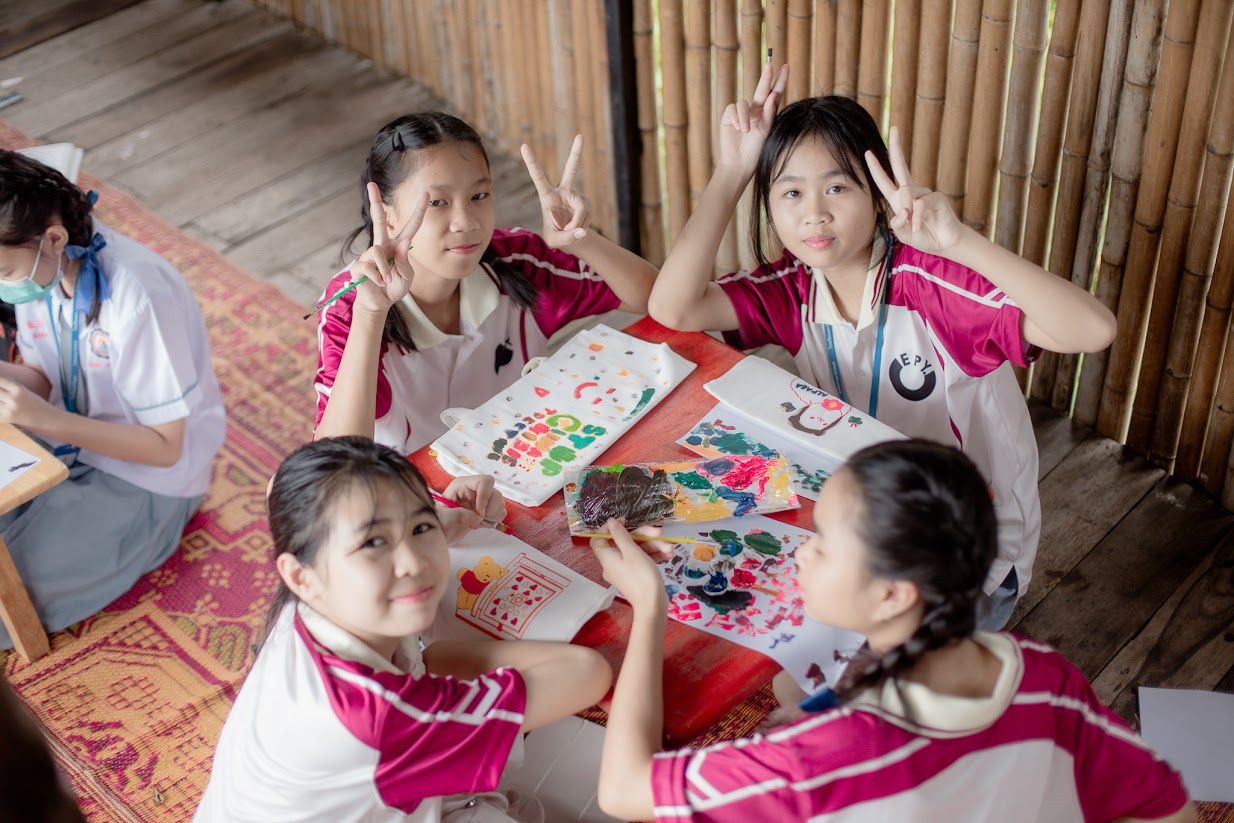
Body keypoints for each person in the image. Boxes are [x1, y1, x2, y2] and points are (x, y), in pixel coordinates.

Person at [646, 65, 1118, 628]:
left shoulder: (931, 284)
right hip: (865, 525)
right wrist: (731, 172)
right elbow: (672, 308)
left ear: (877, 194)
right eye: (791, 192)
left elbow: (1094, 330)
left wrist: (960, 242)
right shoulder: (793, 287)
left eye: (837, 187)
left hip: (966, 557)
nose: (815, 213)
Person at [590, 439, 1195, 823]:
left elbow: (623, 790)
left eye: (823, 543)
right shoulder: (1044, 676)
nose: (800, 551)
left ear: (892, 595)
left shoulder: (821, 758)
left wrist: (650, 605)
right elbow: (1170, 809)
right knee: (792, 691)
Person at [196, 436, 614, 822]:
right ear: (300, 575)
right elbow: (587, 672)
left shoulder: (304, 605)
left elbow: (283, 490)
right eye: (373, 543)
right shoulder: (377, 717)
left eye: (419, 528)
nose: (413, 562)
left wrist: (432, 525)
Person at [314, 112, 658, 454]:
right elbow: (335, 459)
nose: (466, 222)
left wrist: (581, 240)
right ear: (387, 216)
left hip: (529, 467)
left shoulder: (519, 260)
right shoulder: (352, 305)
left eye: (478, 196)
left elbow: (654, 299)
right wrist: (371, 314)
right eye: (437, 202)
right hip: (411, 487)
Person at [0, 150, 224, 648]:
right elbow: (46, 379)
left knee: (8, 597)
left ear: (53, 238)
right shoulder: (42, 271)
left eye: (2, 269)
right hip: (69, 441)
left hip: (146, 476)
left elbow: (165, 448)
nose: (1, 284)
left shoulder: (138, 295)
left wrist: (43, 419)